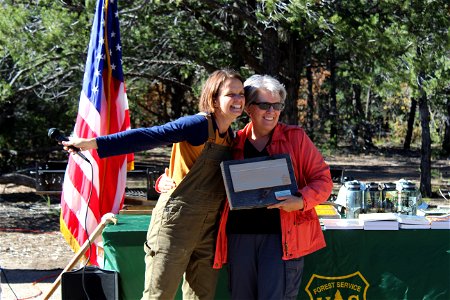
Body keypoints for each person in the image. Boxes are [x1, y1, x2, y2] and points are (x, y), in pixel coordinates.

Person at [62, 69, 245, 300]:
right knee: (158, 295)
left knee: (202, 297)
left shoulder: (232, 138)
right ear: (214, 98)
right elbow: (151, 135)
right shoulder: (198, 125)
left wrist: (162, 180)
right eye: (231, 94)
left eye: (241, 94)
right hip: (175, 224)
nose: (238, 99)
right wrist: (94, 143)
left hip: (209, 229)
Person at [158, 74, 332, 299]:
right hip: (239, 238)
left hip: (281, 238)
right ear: (248, 108)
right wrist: (164, 181)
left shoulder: (295, 138)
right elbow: (198, 173)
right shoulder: (233, 141)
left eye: (277, 105)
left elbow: (323, 180)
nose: (271, 111)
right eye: (264, 105)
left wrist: (301, 201)